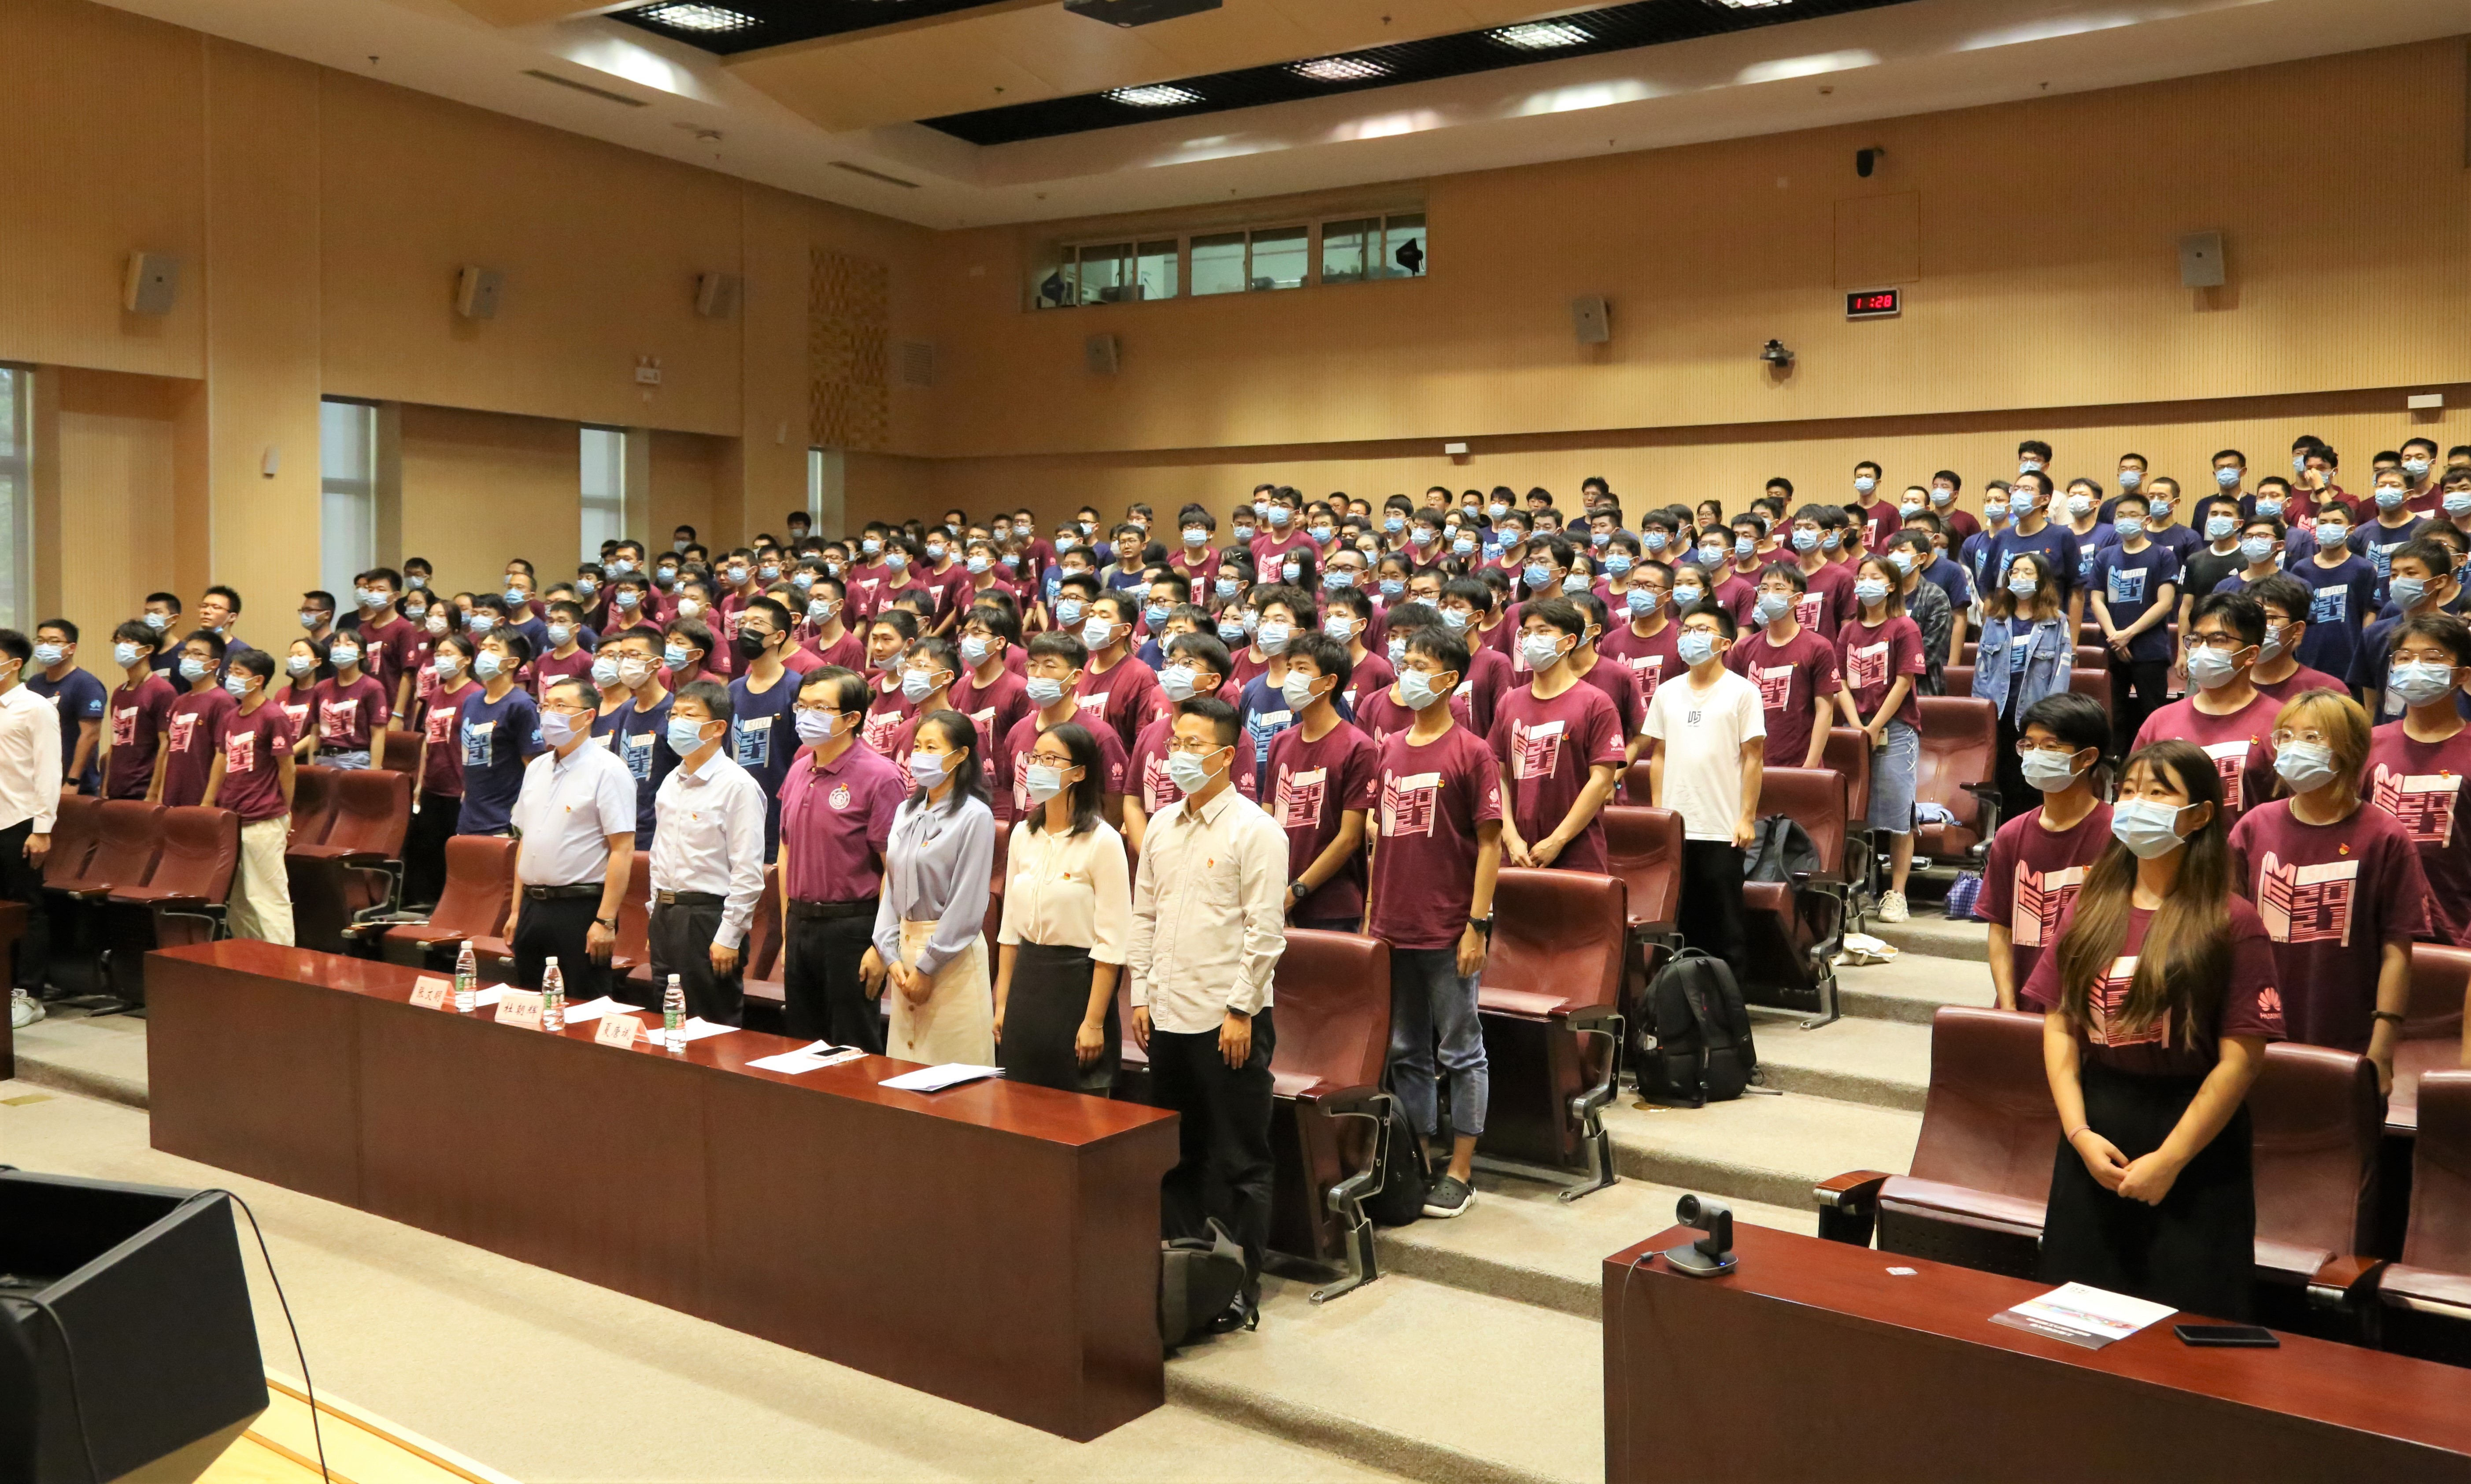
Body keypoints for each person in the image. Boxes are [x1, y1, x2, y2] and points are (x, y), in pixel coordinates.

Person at [2024, 740, 2283, 1320]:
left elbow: (2241, 1059)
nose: (2137, 804)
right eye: (2130, 791)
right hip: (2097, 1125)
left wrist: (2170, 1158)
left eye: (2158, 792)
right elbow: (2059, 1026)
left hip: (2192, 1140)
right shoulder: (2091, 905)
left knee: (2186, 1326)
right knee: (2076, 1318)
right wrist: (2078, 1133)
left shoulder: (2232, 920)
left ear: (2199, 814)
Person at [1128, 695, 1288, 1330]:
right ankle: (1183, 1273)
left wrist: (1242, 1009)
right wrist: (1141, 993)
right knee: (1178, 1152)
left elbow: (1264, 932)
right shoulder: (1162, 826)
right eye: (1175, 743)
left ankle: (1241, 1287)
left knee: (1241, 1158)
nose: (1178, 754)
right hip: (1167, 1012)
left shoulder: (1256, 830)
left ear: (1225, 755)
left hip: (1227, 1019)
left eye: (1193, 745)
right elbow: (1145, 914)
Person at [1366, 625, 1501, 1218]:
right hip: (1392, 926)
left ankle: (1461, 1170)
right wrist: (1371, 916)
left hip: (1448, 927)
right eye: (1406, 663)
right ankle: (1420, 1156)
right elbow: (1381, 840)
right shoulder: (1390, 747)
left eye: (1421, 665)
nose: (1408, 673)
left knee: (1461, 1050)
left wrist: (1478, 924)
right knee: (1405, 1050)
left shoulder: (1472, 751)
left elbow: (1490, 844)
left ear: (1448, 679)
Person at [2228, 690, 2423, 1086]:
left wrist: (2383, 1049)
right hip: (2256, 1031)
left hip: (2348, 1030)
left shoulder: (2385, 836)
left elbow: (2397, 950)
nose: (2294, 747)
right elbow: (2225, 935)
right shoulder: (2253, 826)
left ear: (2348, 750)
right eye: (2285, 736)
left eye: (2312, 737)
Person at [995, 721, 1131, 1093]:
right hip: (1027, 983)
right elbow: (1009, 931)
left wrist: (1094, 1021)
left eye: (1051, 759)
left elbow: (1112, 942)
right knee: (1019, 1103)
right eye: (1035, 757)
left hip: (1077, 985)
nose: (1038, 766)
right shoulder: (1023, 834)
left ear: (1080, 772)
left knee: (1077, 1108)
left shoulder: (1103, 841)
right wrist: (1002, 1003)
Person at [777, 667, 906, 1052]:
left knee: (854, 1046)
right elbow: (786, 850)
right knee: (801, 1044)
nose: (806, 715)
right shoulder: (799, 768)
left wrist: (881, 947)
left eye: (820, 708)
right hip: (800, 922)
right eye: (802, 706)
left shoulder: (880, 776)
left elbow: (895, 870)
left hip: (852, 928)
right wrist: (787, 929)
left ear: (852, 719)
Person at [1642, 602, 1764, 988]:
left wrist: (1746, 818)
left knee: (1725, 926)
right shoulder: (1667, 692)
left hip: (1721, 828)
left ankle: (1730, 1005)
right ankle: (1683, 1003)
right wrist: (1659, 813)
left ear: (1725, 643)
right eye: (1686, 630)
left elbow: (1754, 758)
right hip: (1676, 828)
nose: (1689, 637)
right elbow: (1659, 754)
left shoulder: (1743, 692)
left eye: (1701, 630)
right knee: (1680, 922)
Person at [872, 709, 998, 1063]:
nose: (920, 755)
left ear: (960, 755)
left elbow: (967, 902)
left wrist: (929, 966)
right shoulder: (905, 811)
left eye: (932, 747)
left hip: (951, 956)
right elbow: (892, 886)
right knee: (905, 1069)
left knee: (953, 1070)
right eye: (918, 747)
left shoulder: (975, 816)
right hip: (905, 952)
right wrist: (888, 952)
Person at [1977, 693, 2113, 1010]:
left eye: (2051, 747)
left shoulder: (2117, 835)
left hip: (2090, 1013)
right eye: (2029, 745)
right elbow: (2001, 930)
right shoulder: (2011, 835)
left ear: (2087, 757)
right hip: (2022, 1007)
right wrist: (2009, 1008)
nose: (2036, 755)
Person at [507, 676, 636, 1003]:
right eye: (546, 706)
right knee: (530, 1004)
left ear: (589, 715)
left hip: (579, 908)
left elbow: (622, 850)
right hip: (533, 907)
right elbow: (526, 842)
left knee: (583, 1007)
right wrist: (516, 911)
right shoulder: (536, 768)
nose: (550, 713)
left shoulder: (609, 770)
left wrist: (605, 920)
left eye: (561, 706)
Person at [645, 679, 767, 1025]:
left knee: (709, 1024)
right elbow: (659, 855)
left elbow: (747, 870)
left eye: (689, 715)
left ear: (718, 728)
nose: (677, 722)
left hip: (707, 918)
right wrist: (655, 916)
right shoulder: (671, 781)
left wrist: (730, 935)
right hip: (667, 916)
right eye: (674, 715)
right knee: (667, 1020)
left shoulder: (738, 786)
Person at [1490, 597, 1623, 873]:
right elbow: (1497, 775)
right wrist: (1510, 836)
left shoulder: (1596, 703)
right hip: (1517, 852)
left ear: (1570, 641)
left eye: (1543, 631)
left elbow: (1601, 781)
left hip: (1577, 850)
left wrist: (1558, 840)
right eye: (1527, 632)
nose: (1532, 640)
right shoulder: (1509, 703)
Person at [1261, 632, 1377, 931]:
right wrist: (1272, 893)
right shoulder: (1280, 743)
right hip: (1275, 899)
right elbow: (1266, 821)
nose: (1291, 677)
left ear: (1329, 682)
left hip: (1333, 906)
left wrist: (1295, 893)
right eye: (1290, 668)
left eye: (1302, 669)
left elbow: (1350, 837)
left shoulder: (1358, 746)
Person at [2132, 592, 2276, 829]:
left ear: (2251, 654)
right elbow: (2135, 797)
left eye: (2218, 640)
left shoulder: (2280, 723)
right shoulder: (2159, 722)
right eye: (2196, 639)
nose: (2202, 649)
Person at [1835, 556, 1927, 922]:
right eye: (1862, 577)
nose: (1866, 582)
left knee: (1899, 814)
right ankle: (1851, 891)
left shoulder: (1904, 627)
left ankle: (1897, 894)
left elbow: (1904, 682)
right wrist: (1856, 726)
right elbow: (1840, 682)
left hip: (1896, 730)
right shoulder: (1848, 632)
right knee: (1850, 813)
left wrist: (1873, 728)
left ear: (1890, 586)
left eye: (1875, 577)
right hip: (1855, 729)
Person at [202, 651, 296, 945]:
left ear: (258, 680)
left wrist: (285, 810)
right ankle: (251, 956)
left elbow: (287, 768)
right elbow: (221, 759)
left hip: (263, 819)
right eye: (230, 671)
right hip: (232, 819)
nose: (230, 677)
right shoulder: (231, 717)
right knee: (238, 899)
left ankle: (282, 959)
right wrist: (208, 802)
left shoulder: (273, 716)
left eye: (238, 672)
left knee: (267, 897)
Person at [1973, 553, 2073, 814]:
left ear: (2041, 580)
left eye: (2028, 572)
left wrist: (2051, 716)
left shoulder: (2057, 621)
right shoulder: (1995, 619)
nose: (2020, 577)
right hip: (1999, 714)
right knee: (2003, 780)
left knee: (2033, 781)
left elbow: (2061, 673)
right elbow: (1982, 670)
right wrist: (1982, 714)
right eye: (2015, 572)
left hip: (2037, 713)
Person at [1727, 564, 1839, 770]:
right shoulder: (1743, 648)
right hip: (1751, 763)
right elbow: (1732, 707)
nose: (1769, 594)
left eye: (1779, 588)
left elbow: (1825, 710)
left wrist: (1810, 765)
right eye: (1764, 588)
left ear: (1798, 598)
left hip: (1799, 764)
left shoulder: (1818, 647)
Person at [0, 631, 61, 1007]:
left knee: (26, 908)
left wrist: (42, 829)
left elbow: (49, 771)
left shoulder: (36, 707)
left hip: (20, 822)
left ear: (15, 664)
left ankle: (29, 994)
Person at [453, 633, 543, 836]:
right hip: (469, 820)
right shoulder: (471, 701)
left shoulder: (521, 705)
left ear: (512, 662)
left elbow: (534, 767)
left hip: (502, 824)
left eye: (494, 649)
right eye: (483, 648)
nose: (484, 653)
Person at [155, 631, 236, 808]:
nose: (188, 659)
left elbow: (222, 755)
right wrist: (161, 796)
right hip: (172, 798)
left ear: (214, 664)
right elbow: (169, 751)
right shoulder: (179, 702)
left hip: (201, 799)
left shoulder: (223, 701)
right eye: (186, 653)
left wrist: (209, 801)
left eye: (197, 654)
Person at [26, 621, 104, 797]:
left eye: (54, 642)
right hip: (39, 781)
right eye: (41, 641)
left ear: (71, 648)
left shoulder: (86, 684)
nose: (45, 646)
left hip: (75, 786)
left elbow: (91, 735)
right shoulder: (34, 683)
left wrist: (73, 781)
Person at [101, 621, 176, 801]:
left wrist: (154, 793)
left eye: (128, 641)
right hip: (117, 788)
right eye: (118, 642)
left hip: (143, 789)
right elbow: (115, 742)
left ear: (148, 649)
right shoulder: (119, 692)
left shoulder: (162, 691)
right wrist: (106, 786)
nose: (121, 647)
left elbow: (166, 745)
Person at [303, 628, 390, 770]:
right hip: (324, 759)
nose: (341, 649)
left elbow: (378, 734)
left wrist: (374, 773)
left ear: (362, 654)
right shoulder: (321, 688)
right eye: (336, 645)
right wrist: (312, 766)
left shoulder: (372, 687)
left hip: (356, 760)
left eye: (348, 644)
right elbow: (315, 733)